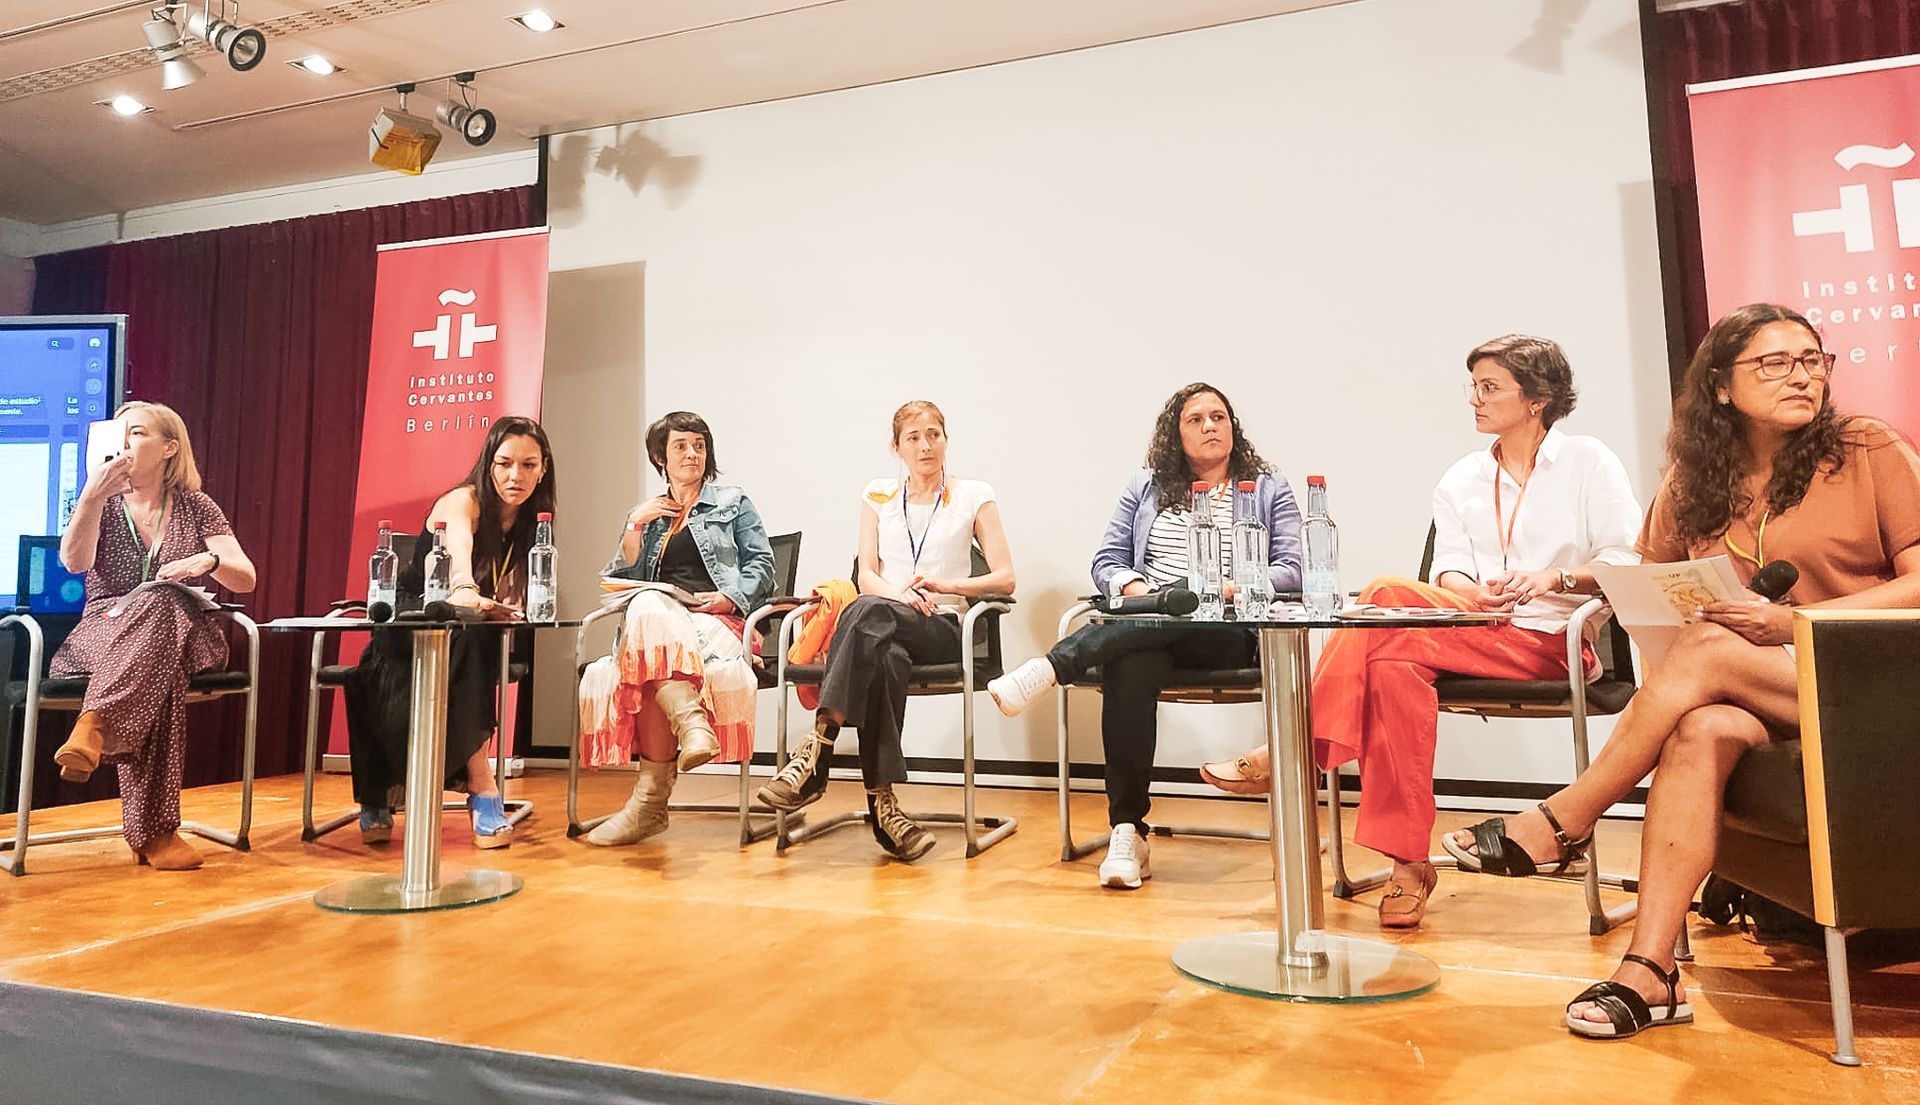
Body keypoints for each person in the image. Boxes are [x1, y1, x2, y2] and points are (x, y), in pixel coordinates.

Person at [1443, 305, 1920, 1040]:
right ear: (1722, 386)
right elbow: (1647, 577)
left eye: (1813, 359)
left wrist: (1797, 622)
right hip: (1768, 690)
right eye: (1775, 363)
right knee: (1701, 727)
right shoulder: (1695, 478)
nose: (1802, 375)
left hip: (1872, 680)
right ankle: (1651, 969)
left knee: (1707, 648)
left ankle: (1563, 819)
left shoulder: (1864, 448)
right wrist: (1633, 597)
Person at [1198, 337, 1642, 928]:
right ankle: (1408, 864)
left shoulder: (1589, 462)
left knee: (1384, 591)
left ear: (1536, 399)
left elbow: (1626, 561)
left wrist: (1552, 577)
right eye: (1474, 387)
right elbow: (1447, 572)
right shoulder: (1461, 478)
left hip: (1552, 639)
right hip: (1469, 628)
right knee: (1390, 667)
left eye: (1490, 388)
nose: (1475, 400)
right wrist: (1473, 594)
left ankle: (1295, 748)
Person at [986, 382, 1301, 890]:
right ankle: (1128, 831)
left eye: (1218, 416)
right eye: (1195, 419)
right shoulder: (1147, 485)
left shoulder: (1265, 487)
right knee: (1131, 662)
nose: (1210, 426)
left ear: (1233, 427)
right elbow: (1107, 561)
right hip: (1149, 625)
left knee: (1150, 629)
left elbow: (1292, 569)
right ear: (1176, 435)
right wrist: (1137, 589)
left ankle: (1053, 666)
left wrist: (1234, 585)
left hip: (1225, 630)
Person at [754, 400, 1015, 862]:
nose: (925, 445)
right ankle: (884, 806)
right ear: (896, 447)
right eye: (914, 437)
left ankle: (818, 748)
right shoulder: (877, 495)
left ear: (946, 440)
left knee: (867, 611)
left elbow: (1005, 578)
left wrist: (946, 586)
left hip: (941, 625)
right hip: (887, 620)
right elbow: (868, 575)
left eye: (934, 435)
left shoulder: (975, 495)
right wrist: (899, 595)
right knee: (886, 657)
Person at [50, 401, 258, 871]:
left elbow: (246, 577)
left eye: (138, 432)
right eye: (119, 433)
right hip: (105, 629)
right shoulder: (99, 501)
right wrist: (91, 497)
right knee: (160, 678)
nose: (125, 442)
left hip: (185, 629)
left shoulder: (195, 505)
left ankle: (96, 725)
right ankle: (156, 833)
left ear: (169, 448)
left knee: (162, 603)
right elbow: (76, 563)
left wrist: (207, 561)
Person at [342, 416, 556, 849]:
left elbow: (515, 585)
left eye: (528, 465)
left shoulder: (532, 522)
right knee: (462, 640)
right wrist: (464, 588)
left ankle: (428, 791)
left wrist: (498, 607)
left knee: (473, 637)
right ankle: (481, 787)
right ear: (488, 463)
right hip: (412, 614)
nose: (515, 476)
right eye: (504, 463)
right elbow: (458, 551)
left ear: (543, 468)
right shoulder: (463, 500)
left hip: (466, 624)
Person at [578, 412, 776, 846]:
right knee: (650, 603)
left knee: (650, 660)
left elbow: (762, 565)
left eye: (699, 445)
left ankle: (648, 805)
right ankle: (691, 725)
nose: (692, 454)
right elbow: (623, 579)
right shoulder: (648, 515)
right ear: (659, 458)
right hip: (660, 624)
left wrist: (729, 597)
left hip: (716, 621)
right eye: (681, 446)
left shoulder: (733, 502)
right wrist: (635, 524)